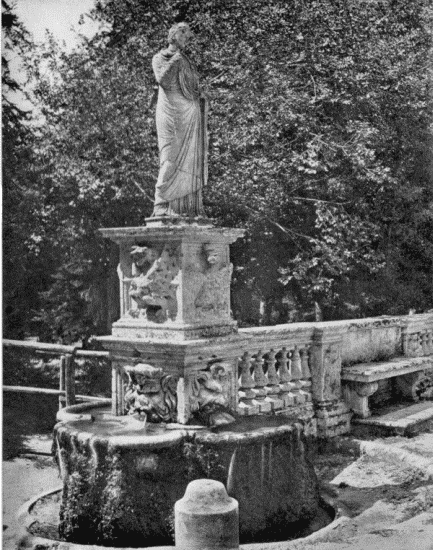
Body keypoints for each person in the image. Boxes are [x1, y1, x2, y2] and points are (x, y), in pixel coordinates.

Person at [152, 22, 208, 217]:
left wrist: (200, 94)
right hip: (170, 111)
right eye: (183, 35)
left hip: (189, 114)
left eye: (187, 37)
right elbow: (163, 80)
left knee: (191, 159)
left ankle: (186, 208)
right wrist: (176, 59)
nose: (186, 40)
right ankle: (161, 204)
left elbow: (193, 86)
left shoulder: (187, 61)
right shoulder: (161, 57)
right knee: (170, 158)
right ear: (173, 35)